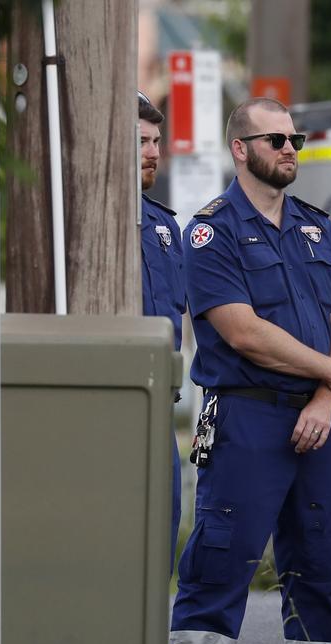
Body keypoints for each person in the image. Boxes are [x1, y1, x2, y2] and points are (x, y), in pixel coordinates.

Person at [168, 97, 331, 644]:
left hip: (319, 418)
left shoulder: (319, 227)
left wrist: (327, 397)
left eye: (294, 140)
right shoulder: (208, 232)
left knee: (322, 567)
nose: (288, 149)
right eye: (275, 139)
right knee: (220, 561)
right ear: (239, 149)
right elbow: (243, 332)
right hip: (245, 416)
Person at [137, 90, 188, 569]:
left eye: (157, 140)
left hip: (160, 405)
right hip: (115, 401)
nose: (155, 152)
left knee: (163, 525)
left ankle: (150, 640)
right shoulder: (85, 221)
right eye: (142, 141)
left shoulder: (164, 227)